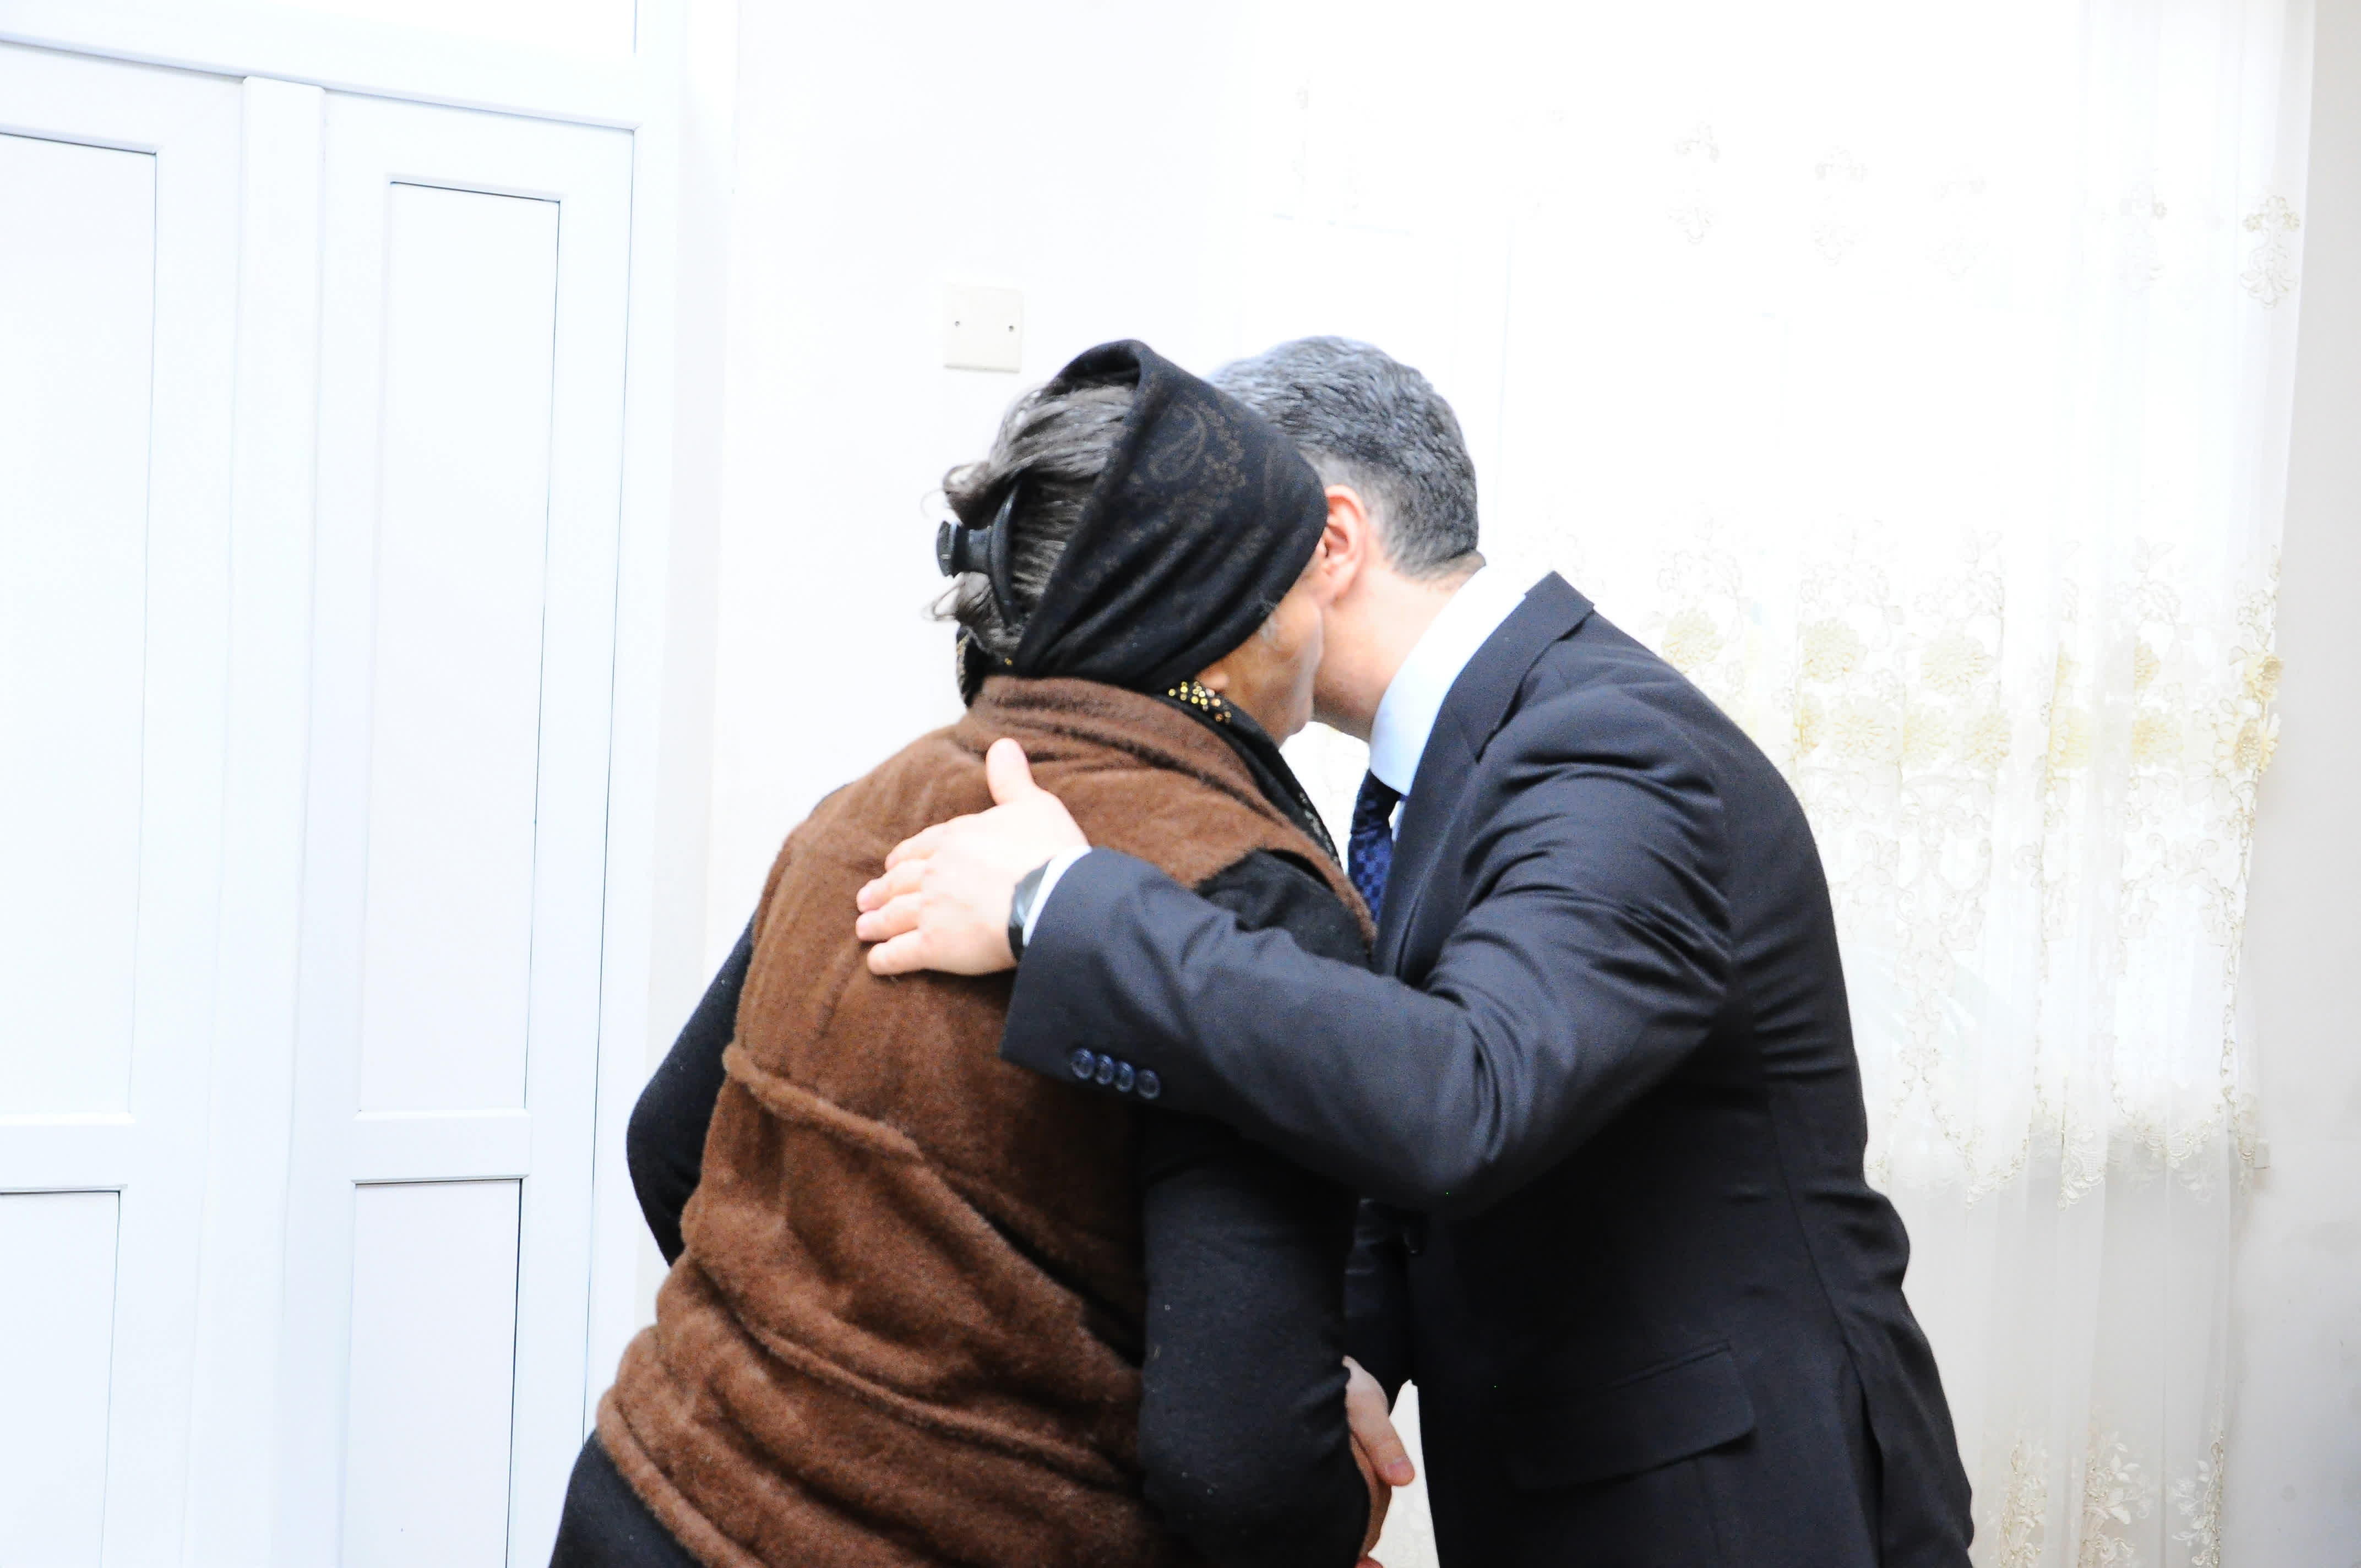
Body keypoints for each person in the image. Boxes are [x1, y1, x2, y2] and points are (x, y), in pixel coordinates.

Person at [855, 337, 1977, 1566]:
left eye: (1207, 551)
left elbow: (1469, 1090)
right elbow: (1401, 1125)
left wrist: (1062, 907)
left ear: (1328, 542)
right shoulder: (1454, 753)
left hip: (1730, 1506)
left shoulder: (1612, 749)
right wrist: (1339, 1358)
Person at [553, 341, 1411, 1568]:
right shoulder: (1245, 897)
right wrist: (1343, 1499)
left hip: (639, 1500)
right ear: (1216, 618)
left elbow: (671, 1143)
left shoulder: (877, 800)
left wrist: (830, 1384)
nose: (1320, 622)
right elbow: (1239, 1473)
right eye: (1296, 584)